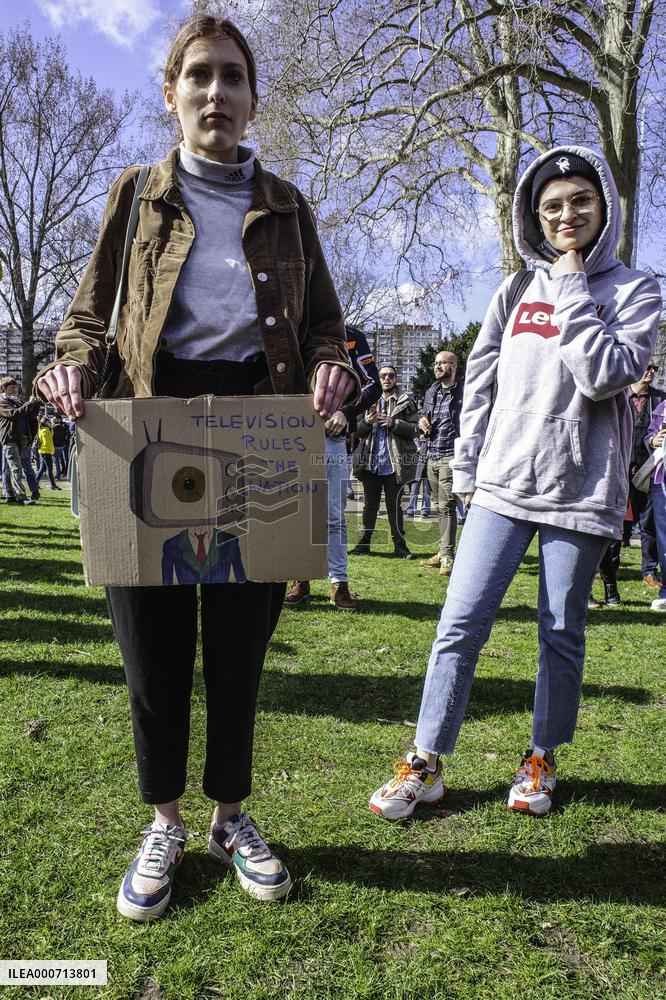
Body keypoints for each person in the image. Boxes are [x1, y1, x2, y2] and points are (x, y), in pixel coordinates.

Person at [36, 14, 357, 920]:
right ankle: (165, 820)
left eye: (233, 78)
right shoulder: (137, 194)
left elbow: (328, 324)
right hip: (148, 426)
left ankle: (231, 815)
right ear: (172, 94)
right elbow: (86, 319)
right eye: (199, 77)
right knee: (153, 645)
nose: (216, 94)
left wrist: (334, 362)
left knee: (239, 648)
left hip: (259, 427)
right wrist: (69, 363)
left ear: (255, 97)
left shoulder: (289, 205)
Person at [369, 146, 661, 821]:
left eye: (580, 201)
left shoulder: (636, 290)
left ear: (604, 207)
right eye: (552, 206)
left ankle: (541, 757)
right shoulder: (514, 289)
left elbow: (606, 373)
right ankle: (426, 762)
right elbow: (481, 382)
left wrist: (570, 286)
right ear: (536, 215)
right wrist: (468, 466)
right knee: (459, 623)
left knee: (561, 632)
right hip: (501, 485)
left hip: (581, 491)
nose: (567, 214)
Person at [283, 324, 381, 610]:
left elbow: (372, 383)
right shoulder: (292, 332)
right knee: (298, 513)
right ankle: (301, 578)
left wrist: (345, 411)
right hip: (293, 438)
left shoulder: (351, 337)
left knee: (334, 515)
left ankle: (339, 582)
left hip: (332, 439)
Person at [350, 365, 419, 558]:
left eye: (390, 375)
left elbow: (415, 429)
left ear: (396, 379)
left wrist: (393, 423)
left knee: (394, 507)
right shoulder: (365, 401)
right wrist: (367, 423)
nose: (386, 378)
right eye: (382, 376)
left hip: (395, 464)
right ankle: (364, 544)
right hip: (370, 463)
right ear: (378, 379)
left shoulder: (406, 401)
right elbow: (354, 430)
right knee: (369, 506)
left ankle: (400, 546)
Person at [417, 350, 464, 575]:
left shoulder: (464, 391)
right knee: (437, 506)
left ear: (453, 367)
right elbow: (423, 415)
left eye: (442, 363)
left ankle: (447, 557)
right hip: (431, 455)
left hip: (451, 456)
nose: (436, 367)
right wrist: (421, 422)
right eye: (435, 363)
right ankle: (442, 551)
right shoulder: (431, 391)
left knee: (447, 506)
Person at [628, 363, 664, 589]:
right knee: (616, 522)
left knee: (648, 522)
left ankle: (649, 571)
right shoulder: (619, 395)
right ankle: (605, 570)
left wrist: (654, 442)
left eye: (655, 368)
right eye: (647, 367)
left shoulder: (661, 400)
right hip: (620, 465)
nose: (651, 371)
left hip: (649, 468)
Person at [0, 376, 39, 505]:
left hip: (21, 438)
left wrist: (35, 404)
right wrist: (29, 403)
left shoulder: (19, 402)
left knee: (11, 468)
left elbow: (31, 416)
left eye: (16, 387)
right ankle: (21, 497)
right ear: (4, 388)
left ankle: (9, 494)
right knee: (16, 468)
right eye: (12, 387)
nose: (15, 390)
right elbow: (14, 414)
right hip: (9, 438)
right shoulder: (2, 401)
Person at [644, 398, 666, 613]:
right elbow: (649, 436)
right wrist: (654, 441)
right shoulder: (663, 407)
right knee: (664, 540)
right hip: (662, 481)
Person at [36, 417, 61, 490]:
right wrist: (51, 450)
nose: (50, 423)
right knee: (50, 469)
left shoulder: (47, 430)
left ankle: (35, 483)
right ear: (45, 423)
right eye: (49, 422)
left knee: (42, 469)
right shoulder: (44, 431)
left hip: (46, 451)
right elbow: (47, 443)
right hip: (46, 451)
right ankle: (52, 485)